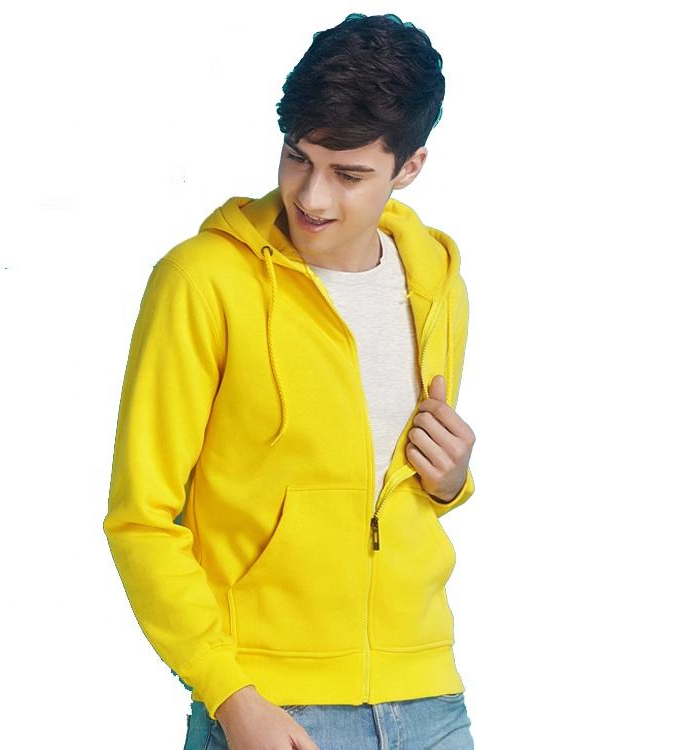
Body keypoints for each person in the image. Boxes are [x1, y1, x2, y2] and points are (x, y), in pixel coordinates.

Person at [103, 12, 477, 750]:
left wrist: (451, 482)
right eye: (297, 158)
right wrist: (230, 695)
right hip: (273, 704)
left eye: (349, 174)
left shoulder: (436, 280)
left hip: (429, 696)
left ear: (409, 167)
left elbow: (383, 484)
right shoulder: (203, 281)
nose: (312, 197)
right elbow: (140, 518)